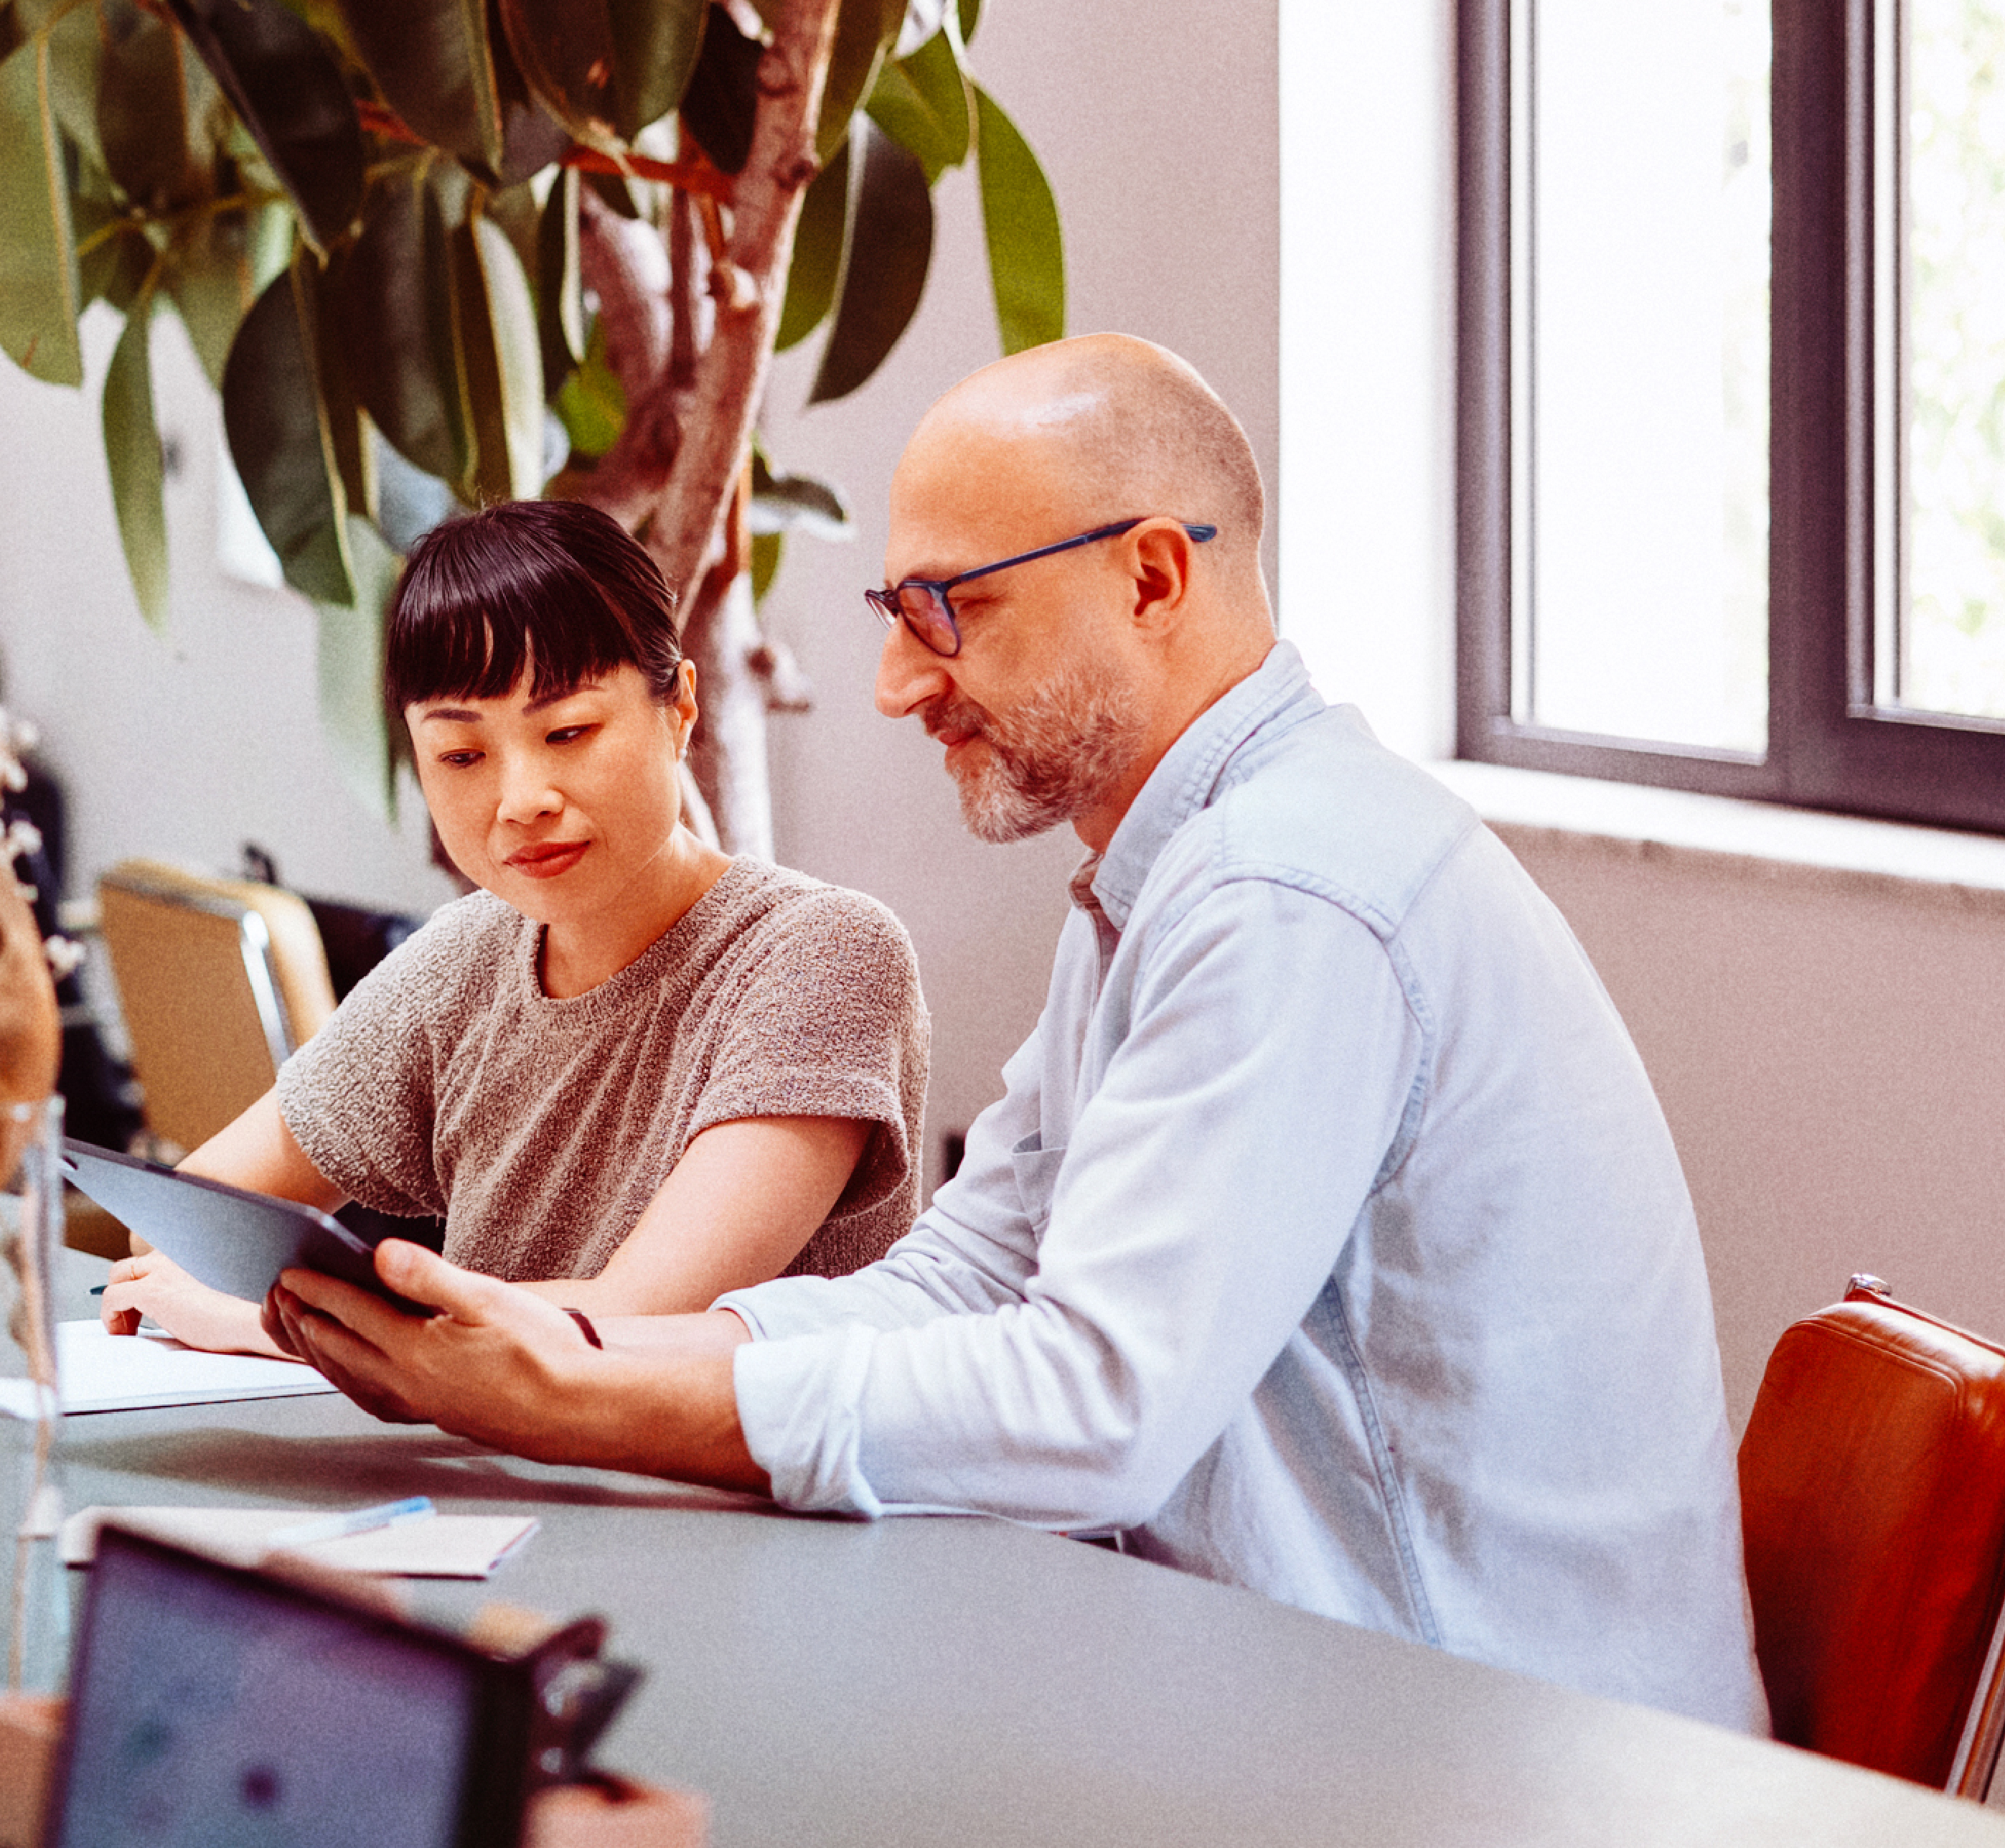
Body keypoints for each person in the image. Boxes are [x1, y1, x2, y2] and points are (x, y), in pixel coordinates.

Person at [262, 335, 1769, 1730]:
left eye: (952, 612)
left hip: (1484, 1756)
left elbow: (1094, 1403)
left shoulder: (1283, 895)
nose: (897, 681)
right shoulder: (1163, 878)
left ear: (1153, 580)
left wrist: (585, 1392)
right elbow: (975, 1270)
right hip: (1316, 1704)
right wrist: (590, 1346)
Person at [102, 499, 929, 1358]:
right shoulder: (464, 958)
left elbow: (632, 1319)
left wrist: (257, 1323)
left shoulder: (822, 955)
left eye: (567, 731)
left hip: (723, 1488)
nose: (520, 800)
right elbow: (183, 1228)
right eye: (462, 756)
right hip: (491, 1479)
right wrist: (211, 1288)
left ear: (679, 708)